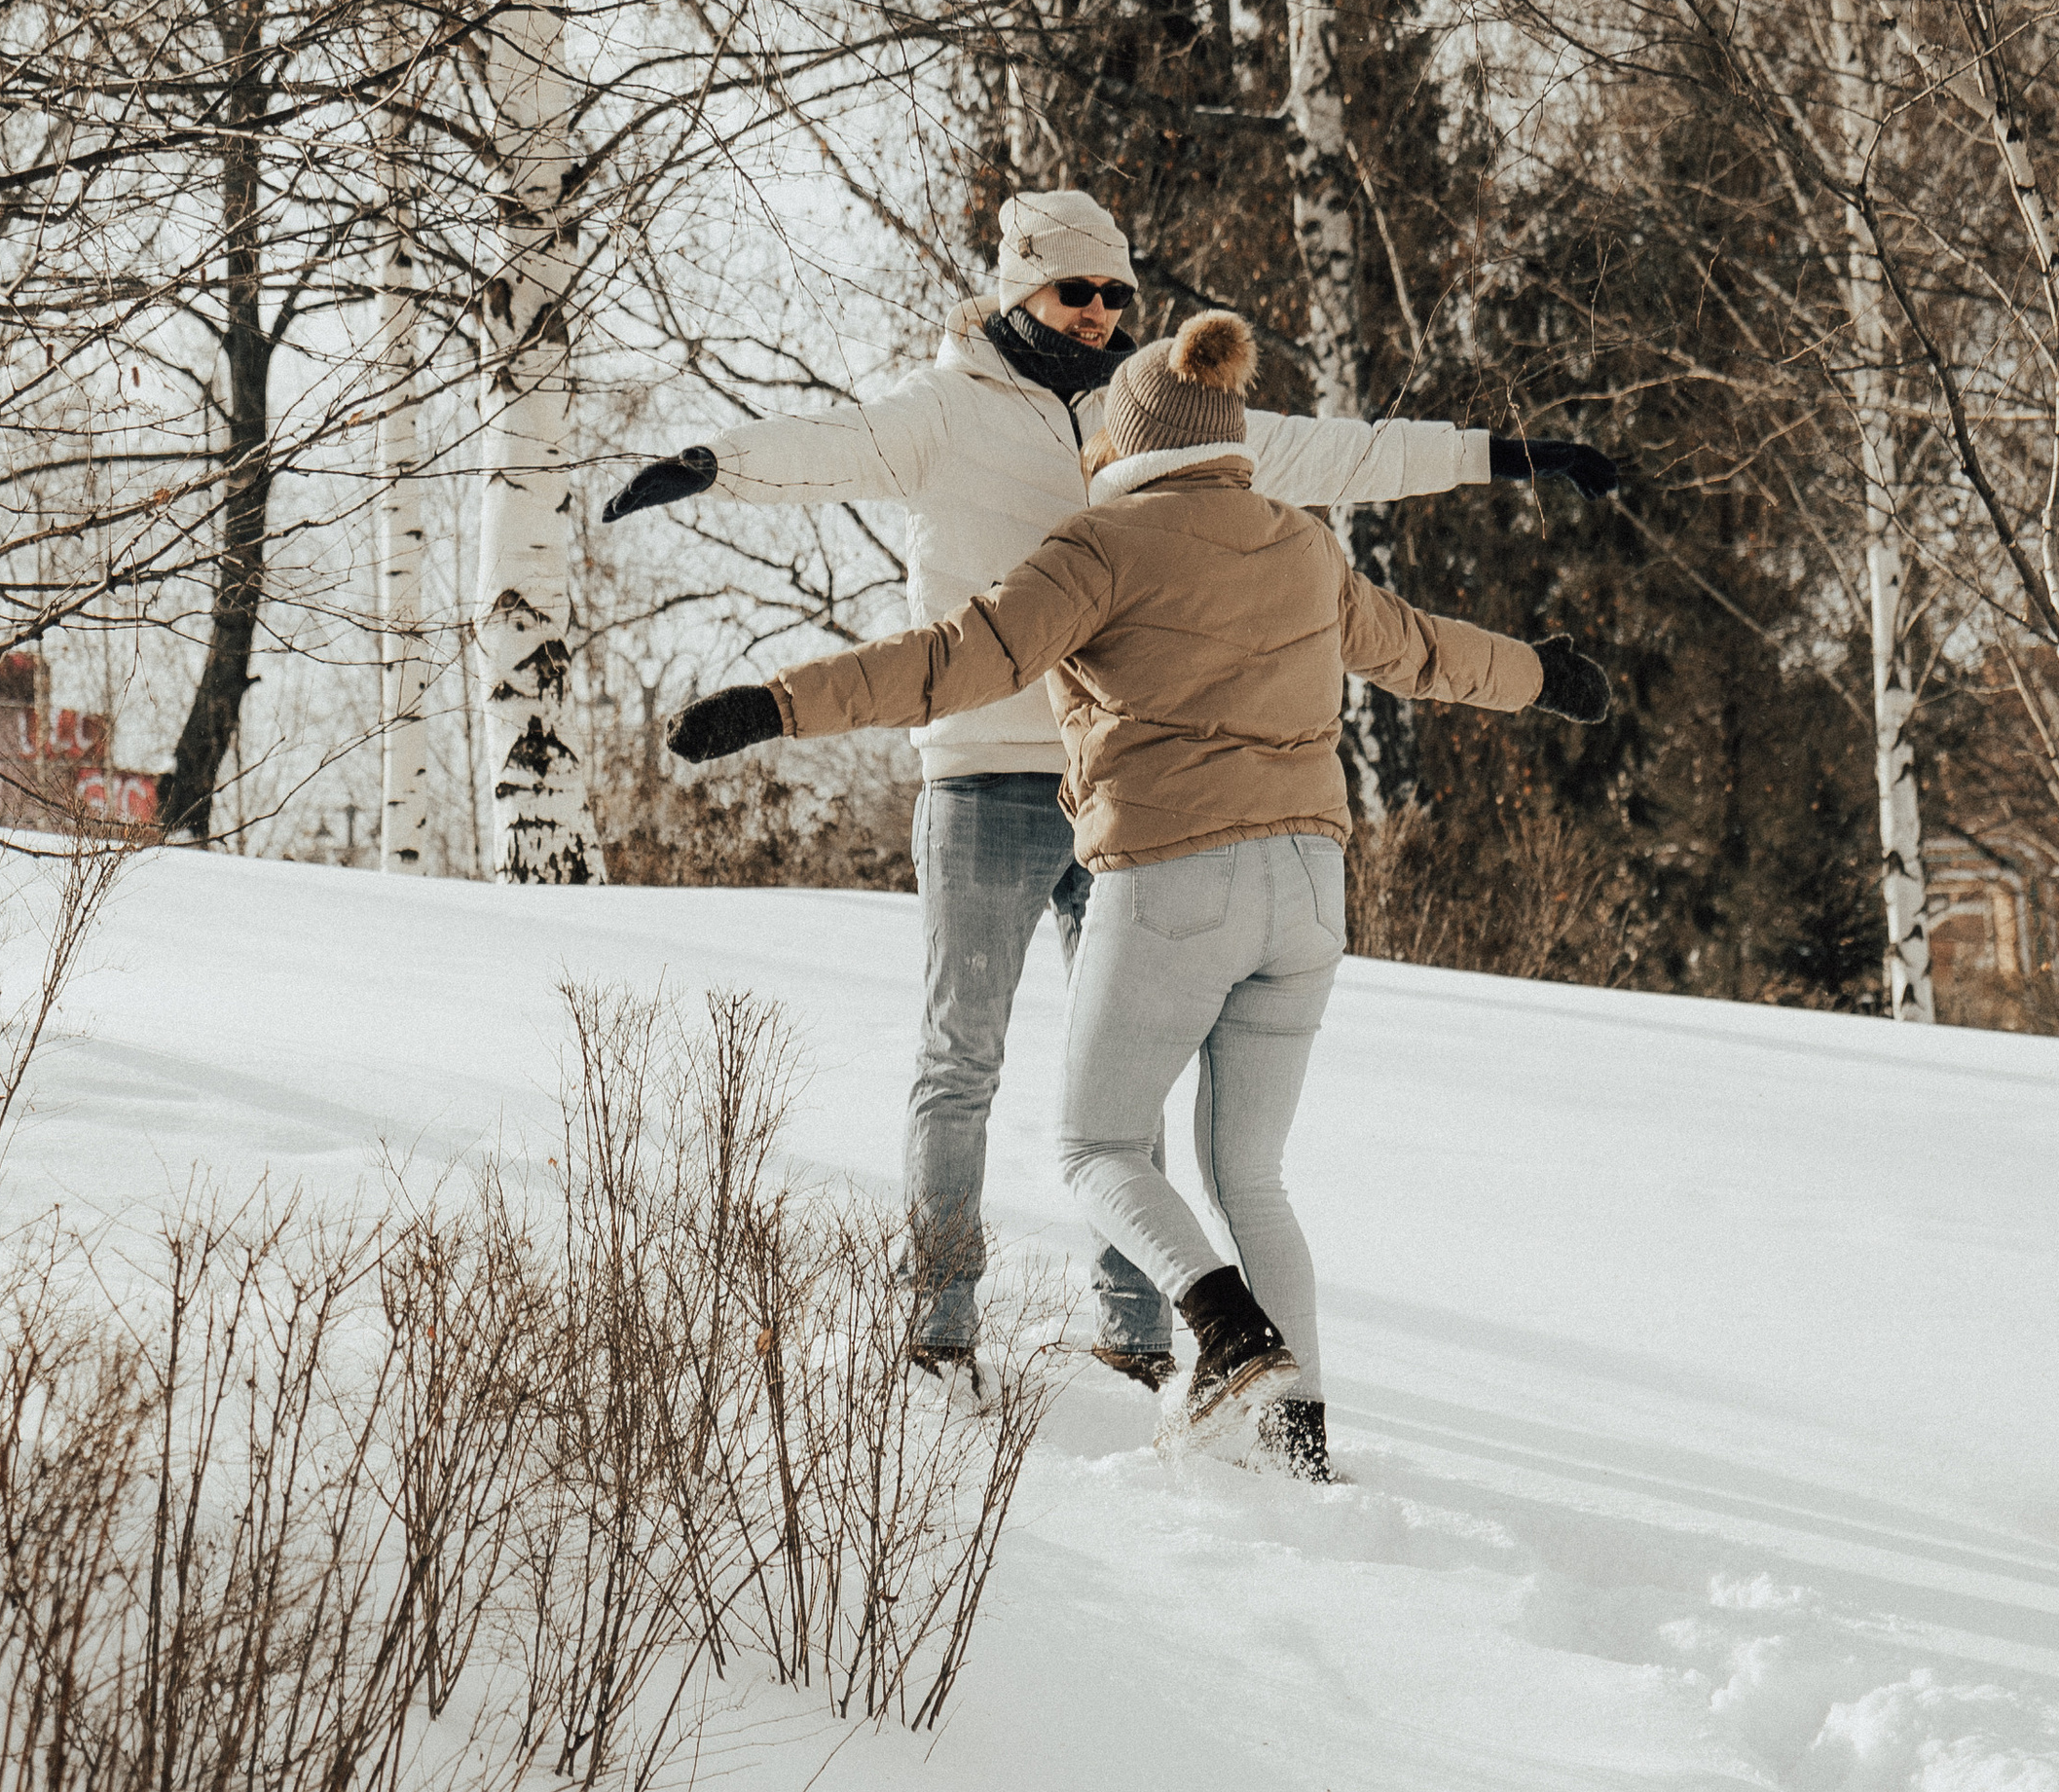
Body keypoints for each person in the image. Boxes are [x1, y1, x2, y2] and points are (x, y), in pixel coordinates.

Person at [605, 189, 1616, 1393]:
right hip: (983, 771)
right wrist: (709, 465)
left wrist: (1502, 455)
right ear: (1018, 285)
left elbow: (1341, 448)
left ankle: (1139, 1332)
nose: (1097, 313)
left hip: (1131, 803)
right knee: (962, 1060)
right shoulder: (944, 411)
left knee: (1123, 1098)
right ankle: (941, 1316)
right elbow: (826, 447)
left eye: (1115, 296)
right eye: (1074, 291)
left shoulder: (1161, 411)